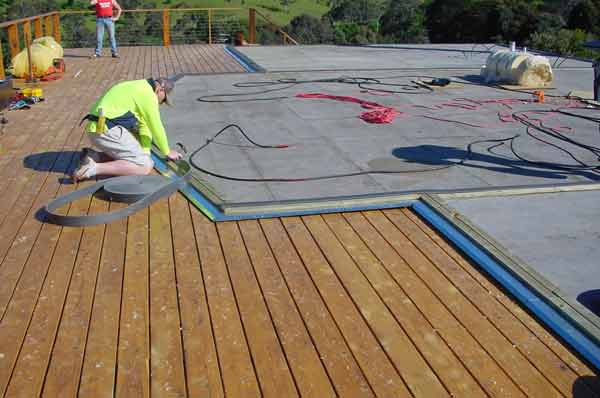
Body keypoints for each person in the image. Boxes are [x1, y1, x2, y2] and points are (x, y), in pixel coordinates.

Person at [73, 78, 183, 181]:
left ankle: (94, 156)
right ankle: (92, 168)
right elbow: (156, 127)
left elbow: (145, 126)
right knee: (145, 166)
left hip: (97, 128)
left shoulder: (140, 86)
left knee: (141, 156)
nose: (161, 103)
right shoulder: (148, 95)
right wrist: (167, 151)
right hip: (106, 129)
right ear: (160, 90)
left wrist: (145, 152)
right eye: (163, 99)